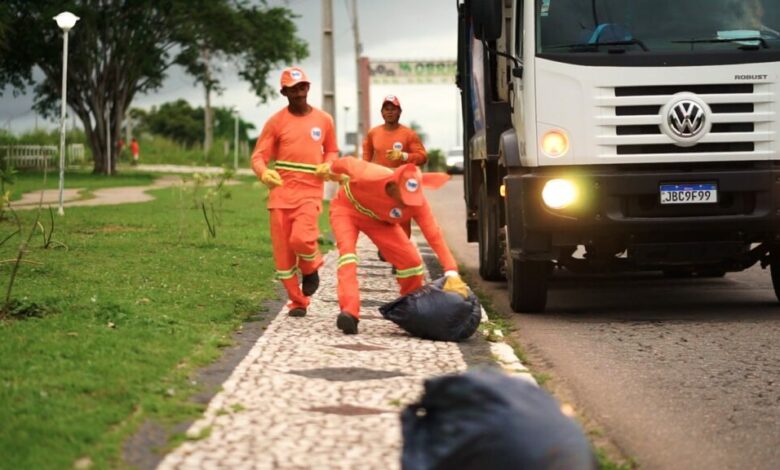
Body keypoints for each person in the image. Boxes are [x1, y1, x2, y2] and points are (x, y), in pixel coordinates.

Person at [315, 157, 469, 335]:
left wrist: (451, 271)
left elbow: (433, 234)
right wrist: (330, 169)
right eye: (404, 196)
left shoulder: (417, 202)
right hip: (347, 209)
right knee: (348, 256)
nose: (407, 203)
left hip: (380, 222)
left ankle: (411, 310)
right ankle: (349, 312)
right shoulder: (368, 173)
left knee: (411, 261)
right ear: (393, 184)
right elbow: (345, 162)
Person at [251, 66, 339, 317]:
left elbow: (332, 150)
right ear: (284, 92)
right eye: (292, 90)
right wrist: (263, 172)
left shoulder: (324, 120)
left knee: (301, 238)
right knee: (283, 256)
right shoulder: (276, 122)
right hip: (280, 194)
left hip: (310, 191)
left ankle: (310, 268)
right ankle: (298, 301)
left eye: (302, 88)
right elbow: (259, 156)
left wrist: (329, 164)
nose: (298, 93)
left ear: (308, 88)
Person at [362, 95, 428, 238]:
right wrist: (364, 176)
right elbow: (366, 159)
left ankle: (402, 250)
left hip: (401, 184)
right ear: (382, 113)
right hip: (381, 183)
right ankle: (386, 248)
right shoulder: (373, 133)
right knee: (381, 216)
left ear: (399, 112)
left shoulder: (408, 134)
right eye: (386, 109)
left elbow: (423, 157)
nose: (390, 112)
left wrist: (403, 156)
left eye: (393, 109)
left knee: (402, 217)